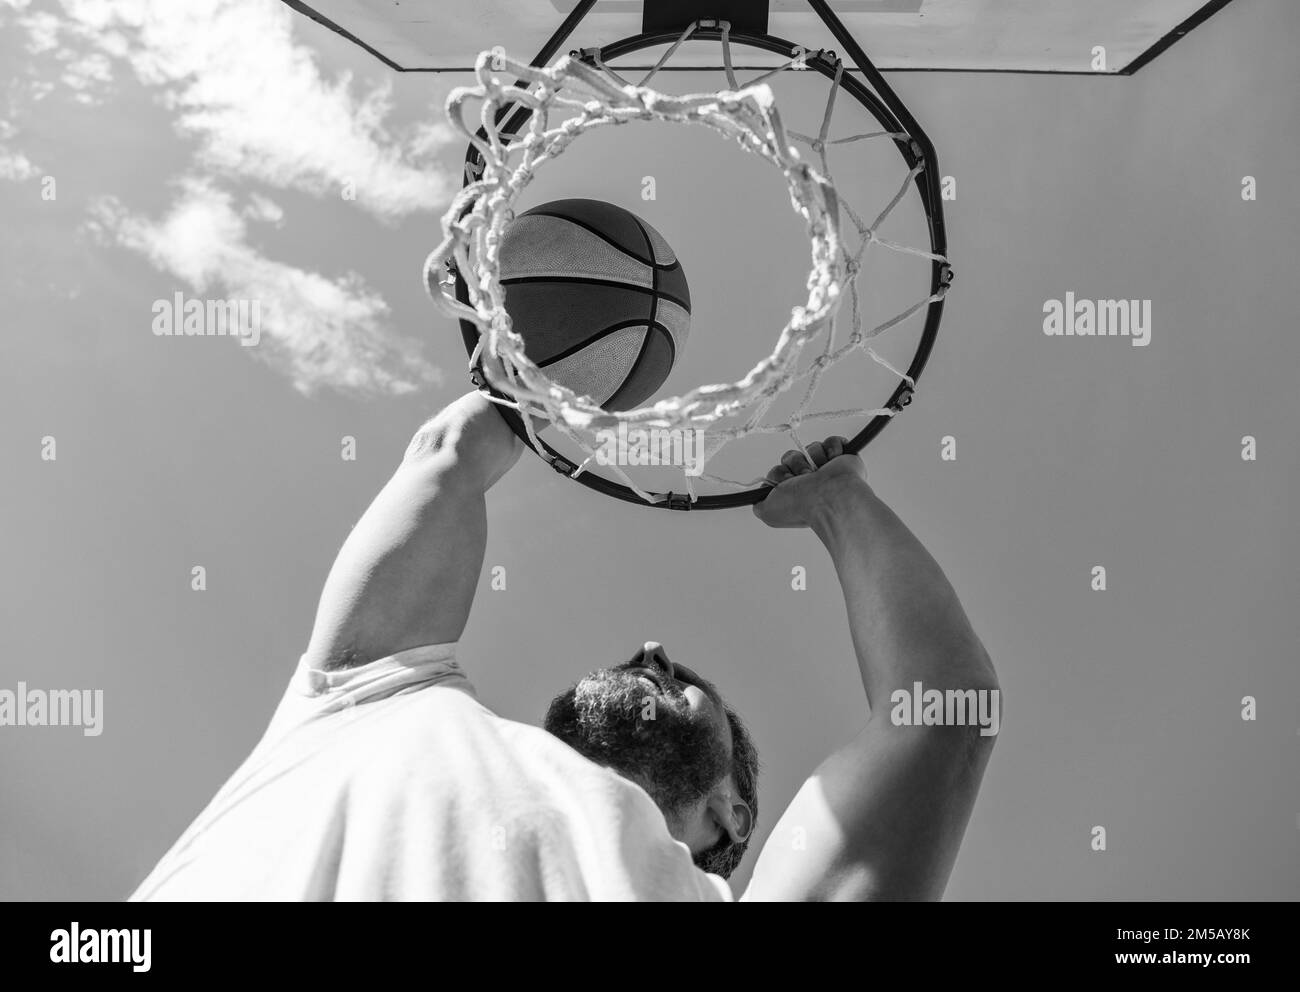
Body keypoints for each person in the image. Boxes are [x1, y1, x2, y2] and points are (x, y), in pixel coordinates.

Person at [132, 389, 998, 901]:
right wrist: (545, 369)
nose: (652, 649)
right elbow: (450, 451)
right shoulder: (371, 693)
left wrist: (838, 499)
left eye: (690, 682)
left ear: (732, 817)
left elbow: (946, 714)